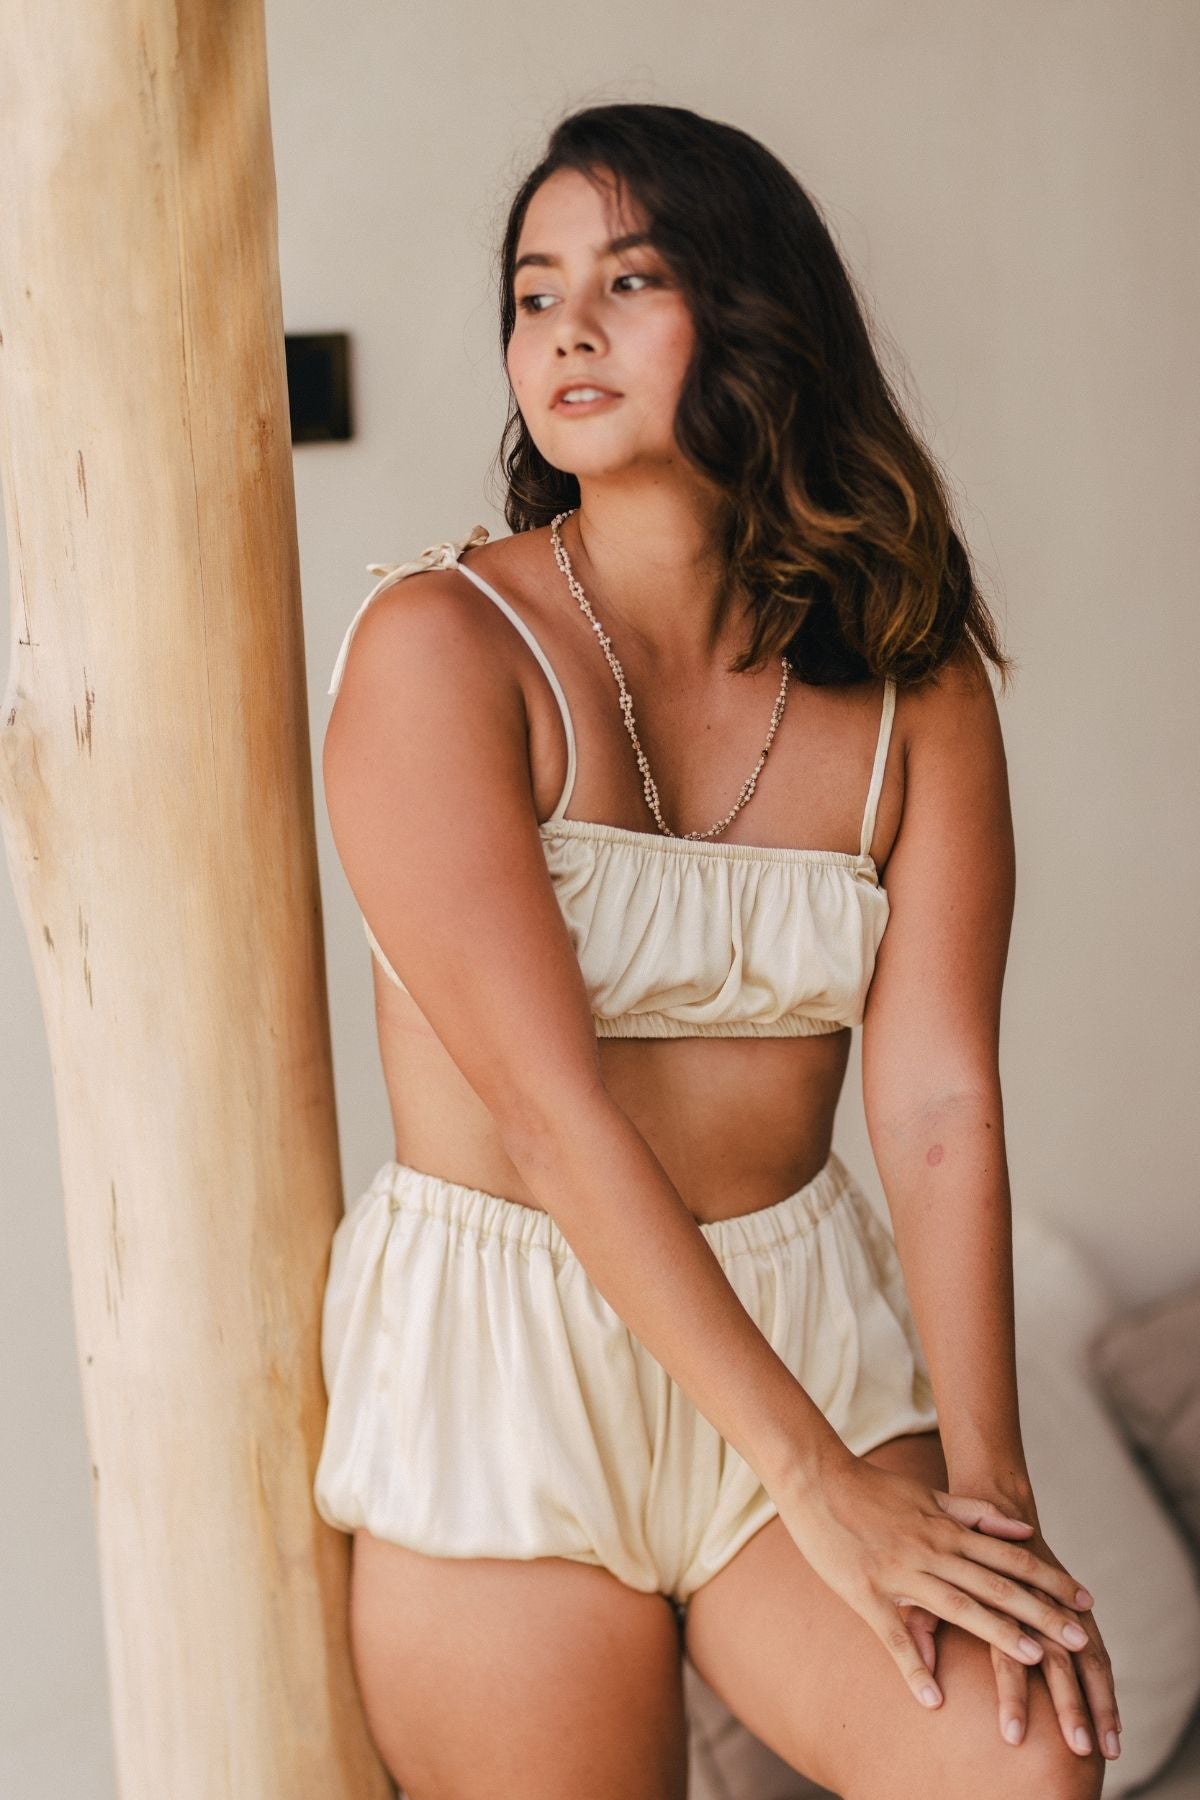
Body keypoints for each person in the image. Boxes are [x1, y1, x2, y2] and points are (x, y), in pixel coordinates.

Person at [312, 101, 1117, 1799]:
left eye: (632, 276)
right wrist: (818, 1483)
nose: (568, 329)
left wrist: (994, 1508)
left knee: (1022, 1761)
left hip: (806, 1313)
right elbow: (549, 1117)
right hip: (509, 1364)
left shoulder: (913, 678)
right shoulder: (436, 650)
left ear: (754, 321)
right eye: (534, 295)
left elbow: (940, 1109)